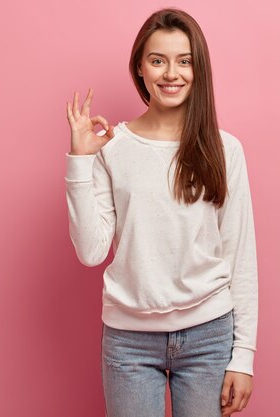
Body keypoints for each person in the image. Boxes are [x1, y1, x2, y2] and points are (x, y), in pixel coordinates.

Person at [64, 7, 258, 417]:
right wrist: (80, 161)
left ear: (198, 68)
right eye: (158, 60)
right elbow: (91, 252)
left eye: (184, 61)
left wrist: (243, 356)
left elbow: (240, 255)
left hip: (209, 336)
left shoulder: (226, 150)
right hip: (129, 341)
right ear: (140, 67)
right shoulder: (112, 148)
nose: (172, 73)